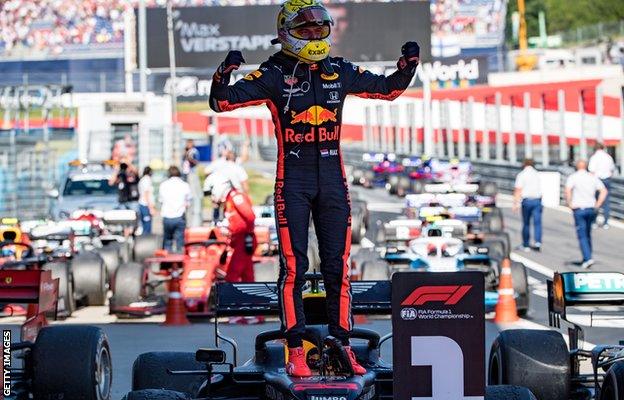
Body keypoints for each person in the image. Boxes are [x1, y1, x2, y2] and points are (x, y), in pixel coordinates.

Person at [209, 0, 419, 377]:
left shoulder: (339, 69)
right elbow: (222, 102)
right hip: (293, 182)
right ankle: (296, 349)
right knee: (294, 267)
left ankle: (343, 343)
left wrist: (407, 69)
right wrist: (223, 74)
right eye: (304, 29)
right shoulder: (273, 73)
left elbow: (387, 90)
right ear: (287, 32)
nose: (313, 34)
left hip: (334, 184)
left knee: (339, 266)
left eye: (319, 28)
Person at [204, 173, 256, 283]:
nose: (212, 197)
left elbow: (250, 217)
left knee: (232, 274)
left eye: (211, 193)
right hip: (240, 241)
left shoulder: (236, 197)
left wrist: (245, 235)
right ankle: (251, 299)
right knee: (247, 275)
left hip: (243, 240)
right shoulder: (229, 201)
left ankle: (229, 299)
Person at [565, 160, 608, 269]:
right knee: (588, 233)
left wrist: (569, 203)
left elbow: (567, 190)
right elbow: (604, 191)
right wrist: (598, 204)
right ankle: (587, 256)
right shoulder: (592, 177)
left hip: (579, 209)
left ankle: (588, 258)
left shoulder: (573, 177)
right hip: (591, 208)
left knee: (582, 235)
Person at [158, 166, 192, 253]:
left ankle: (167, 262)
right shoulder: (185, 185)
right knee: (180, 241)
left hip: (167, 216)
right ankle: (179, 262)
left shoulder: (163, 185)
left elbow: (160, 200)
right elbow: (188, 202)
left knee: (167, 240)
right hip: (179, 216)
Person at [513, 159, 543, 252]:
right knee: (537, 222)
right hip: (537, 200)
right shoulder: (537, 174)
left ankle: (526, 244)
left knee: (526, 223)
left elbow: (518, 189)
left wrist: (516, 203)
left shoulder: (522, 174)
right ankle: (538, 242)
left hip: (527, 201)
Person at [588, 142, 616, 229]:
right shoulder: (608, 157)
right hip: (607, 180)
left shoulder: (594, 157)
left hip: (597, 180)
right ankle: (606, 223)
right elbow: (612, 170)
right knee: (606, 202)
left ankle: (594, 222)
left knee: (595, 201)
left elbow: (591, 171)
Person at [138, 166, 156, 235]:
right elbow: (147, 194)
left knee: (144, 224)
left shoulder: (142, 179)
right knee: (147, 225)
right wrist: (151, 208)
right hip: (145, 204)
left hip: (143, 204)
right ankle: (146, 241)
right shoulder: (146, 179)